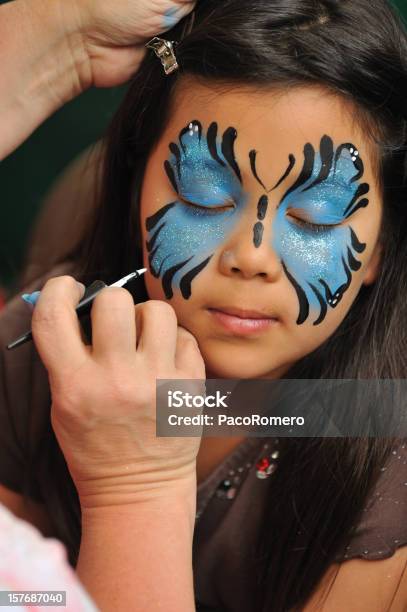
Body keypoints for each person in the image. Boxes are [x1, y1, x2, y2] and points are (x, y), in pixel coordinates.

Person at [1, 0, 407, 611]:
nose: (252, 256)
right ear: (136, 185)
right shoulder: (41, 357)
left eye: (314, 216)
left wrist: (132, 486)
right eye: (205, 197)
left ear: (380, 246)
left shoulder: (383, 453)